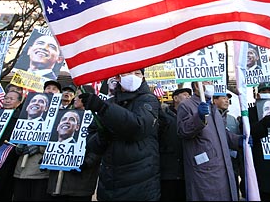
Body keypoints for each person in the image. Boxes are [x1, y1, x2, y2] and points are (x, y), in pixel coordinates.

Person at [80, 68, 161, 201]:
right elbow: (92, 145)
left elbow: (138, 128)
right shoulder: (109, 103)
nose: (133, 77)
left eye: (137, 73)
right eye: (128, 73)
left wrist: (103, 109)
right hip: (109, 183)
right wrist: (102, 137)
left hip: (140, 184)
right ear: (118, 77)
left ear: (143, 78)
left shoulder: (148, 100)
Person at [176, 80, 240, 201]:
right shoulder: (187, 105)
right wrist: (198, 117)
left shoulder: (213, 108)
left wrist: (239, 140)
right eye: (206, 82)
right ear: (196, 85)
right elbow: (183, 131)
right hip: (205, 171)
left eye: (211, 82)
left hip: (222, 169)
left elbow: (222, 134)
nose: (210, 84)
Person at [48, 86, 101, 201]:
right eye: (75, 96)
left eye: (79, 96)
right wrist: (47, 158)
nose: (75, 99)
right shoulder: (62, 116)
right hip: (56, 183)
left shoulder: (97, 119)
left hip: (80, 184)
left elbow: (99, 146)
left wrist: (86, 162)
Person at [159, 87, 191, 202]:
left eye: (189, 95)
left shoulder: (192, 117)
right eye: (185, 94)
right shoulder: (164, 117)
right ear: (175, 98)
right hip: (169, 171)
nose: (188, 97)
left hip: (187, 170)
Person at [213, 91, 244, 198]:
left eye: (227, 99)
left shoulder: (232, 119)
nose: (226, 100)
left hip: (232, 161)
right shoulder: (209, 118)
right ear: (214, 100)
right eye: (223, 98)